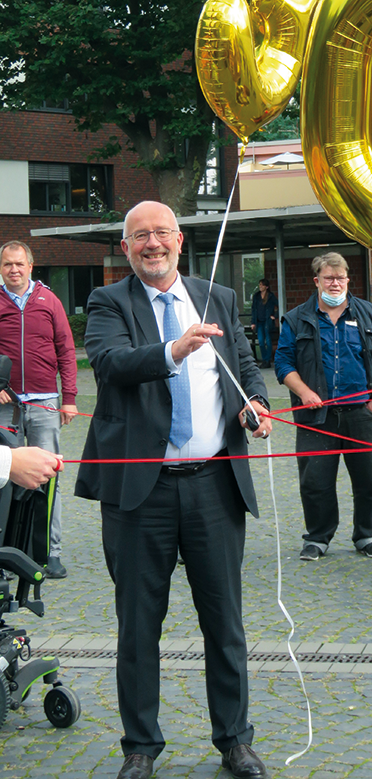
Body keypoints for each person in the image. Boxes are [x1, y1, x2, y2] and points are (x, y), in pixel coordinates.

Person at [75, 201, 272, 779]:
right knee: (138, 624)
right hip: (141, 492)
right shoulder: (109, 301)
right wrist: (174, 351)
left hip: (214, 485)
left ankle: (234, 740)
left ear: (180, 241)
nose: (152, 243)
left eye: (161, 233)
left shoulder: (219, 296)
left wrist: (254, 405)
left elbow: (243, 364)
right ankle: (140, 747)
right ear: (127, 246)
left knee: (224, 622)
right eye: (140, 236)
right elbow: (110, 364)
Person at [274, 251, 372, 560]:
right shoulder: (296, 318)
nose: (335, 283)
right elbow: (282, 362)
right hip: (316, 415)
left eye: (340, 278)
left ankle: (367, 535)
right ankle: (318, 537)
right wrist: (304, 392)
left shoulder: (370, 314)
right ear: (317, 281)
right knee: (315, 481)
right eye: (329, 278)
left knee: (369, 479)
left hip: (362, 413)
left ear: (348, 279)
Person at [0, 240, 78, 579]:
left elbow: (66, 350)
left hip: (45, 403)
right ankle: (8, 552)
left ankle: (50, 552)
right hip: (6, 406)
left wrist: (70, 397)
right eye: (7, 265)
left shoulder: (50, 301)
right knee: (4, 478)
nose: (13, 270)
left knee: (48, 477)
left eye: (19, 264)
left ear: (31, 267)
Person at [250, 279, 278, 368]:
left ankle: (268, 360)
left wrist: (274, 316)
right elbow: (253, 309)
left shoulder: (270, 296)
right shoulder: (256, 296)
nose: (260, 286)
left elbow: (279, 305)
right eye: (259, 285)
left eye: (262, 285)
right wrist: (253, 322)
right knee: (261, 342)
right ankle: (264, 359)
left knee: (268, 341)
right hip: (259, 322)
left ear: (266, 287)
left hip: (267, 321)